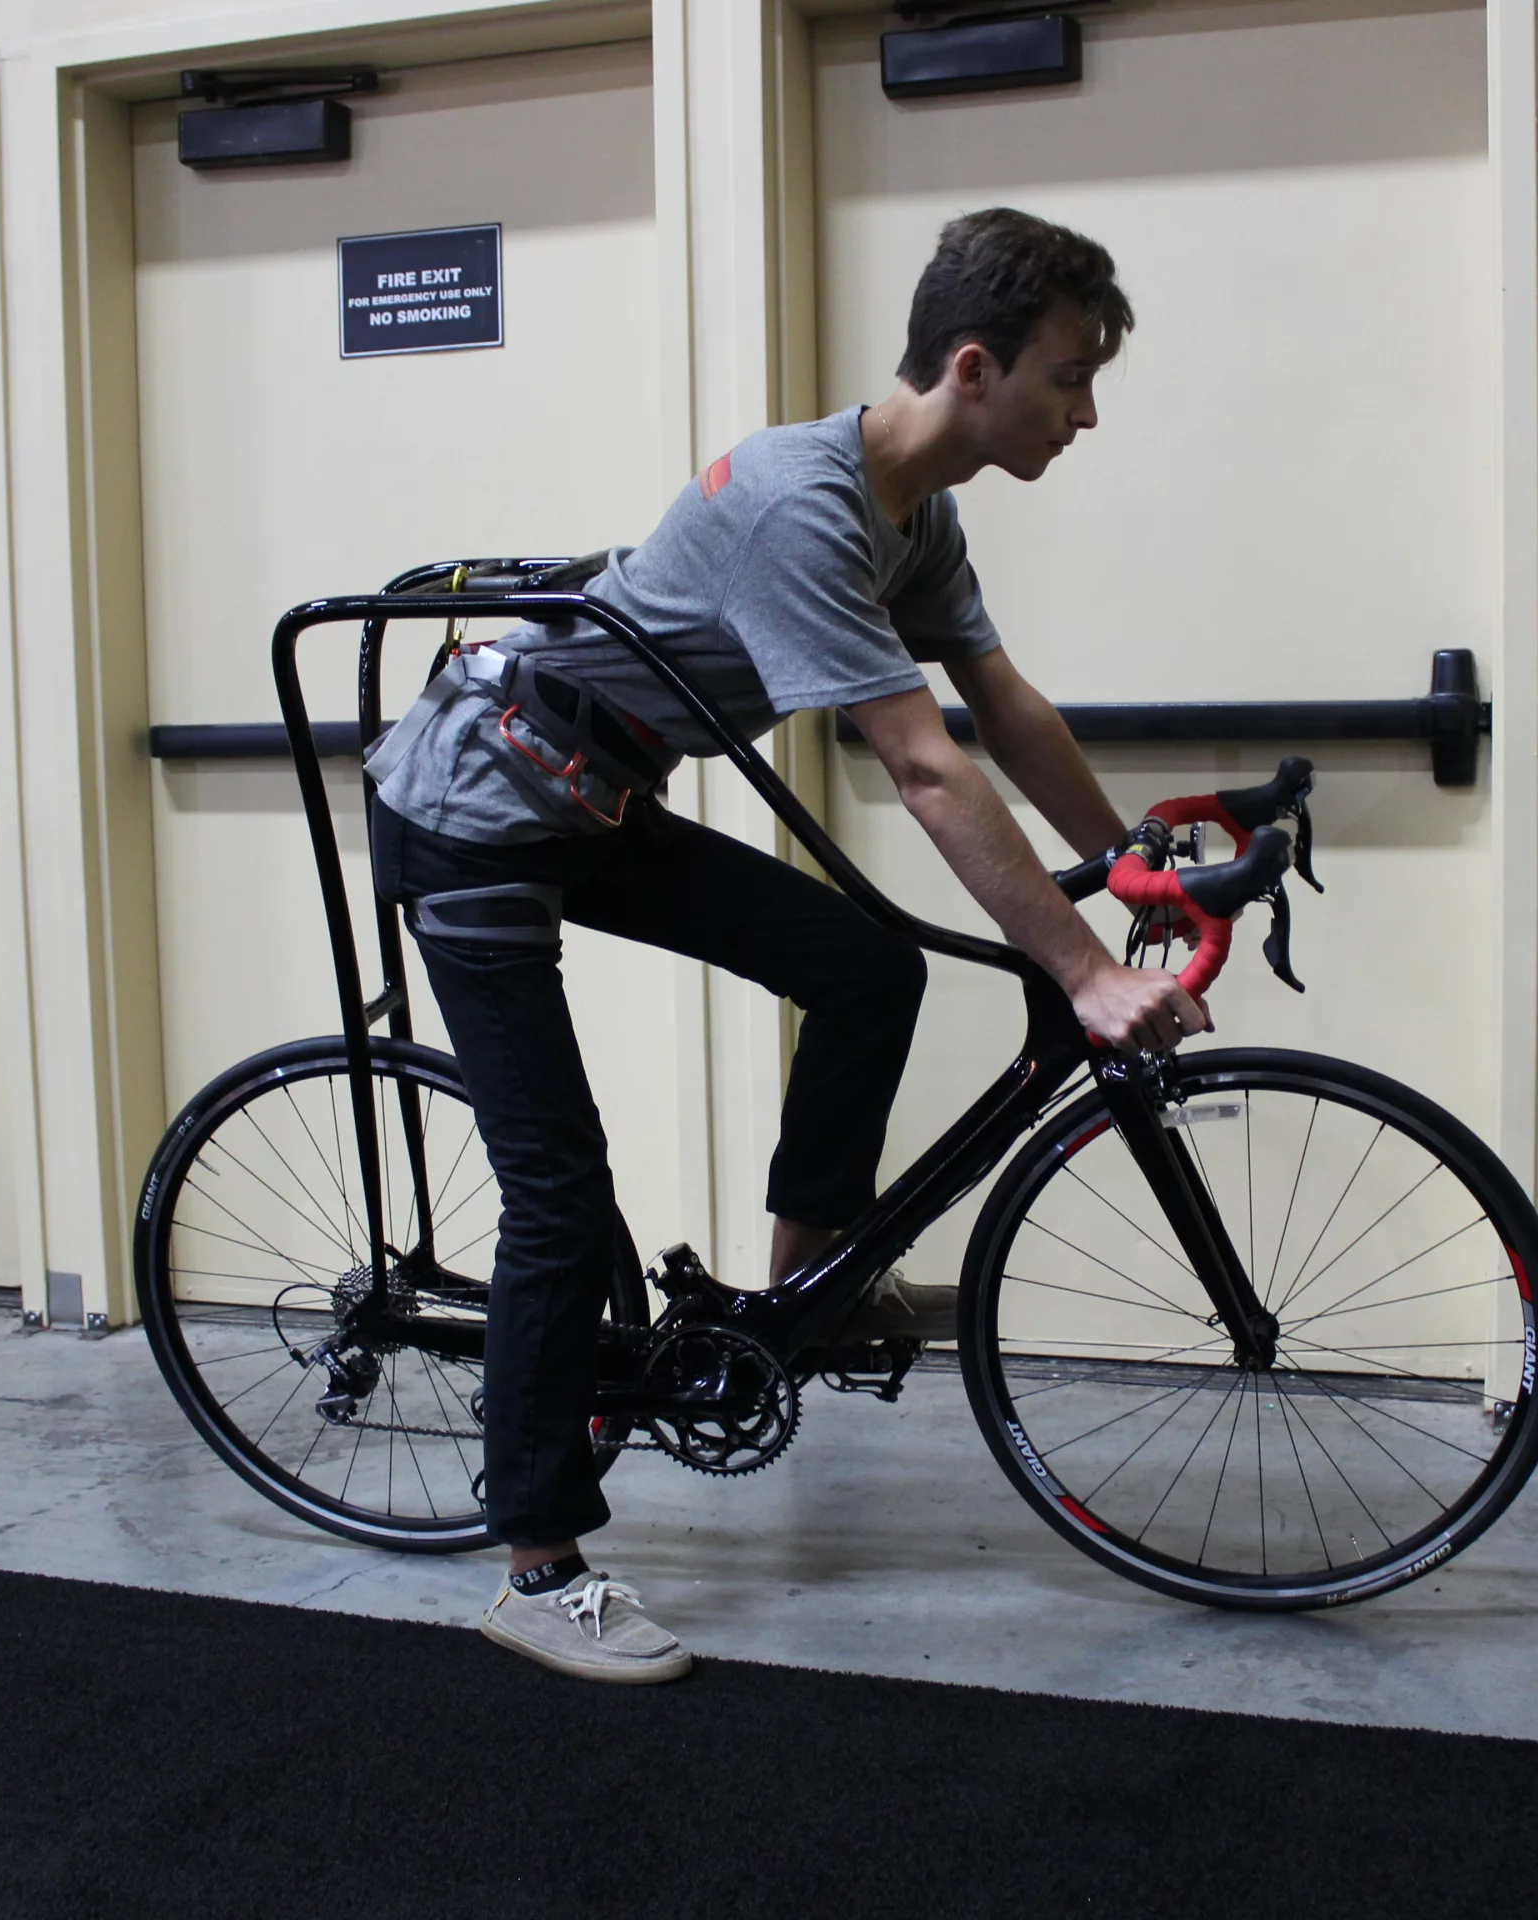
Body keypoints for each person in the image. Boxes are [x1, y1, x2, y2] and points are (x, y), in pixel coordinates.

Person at [365, 207, 1204, 1684]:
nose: (1086, 412)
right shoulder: (798, 504)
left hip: (588, 797)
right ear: (973, 365)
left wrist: (1132, 862)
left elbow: (1002, 710)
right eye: (1070, 377)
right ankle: (537, 1567)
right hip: (476, 806)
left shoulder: (916, 513)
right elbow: (928, 768)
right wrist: (1084, 968)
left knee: (868, 965)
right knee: (559, 1194)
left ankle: (795, 1302)